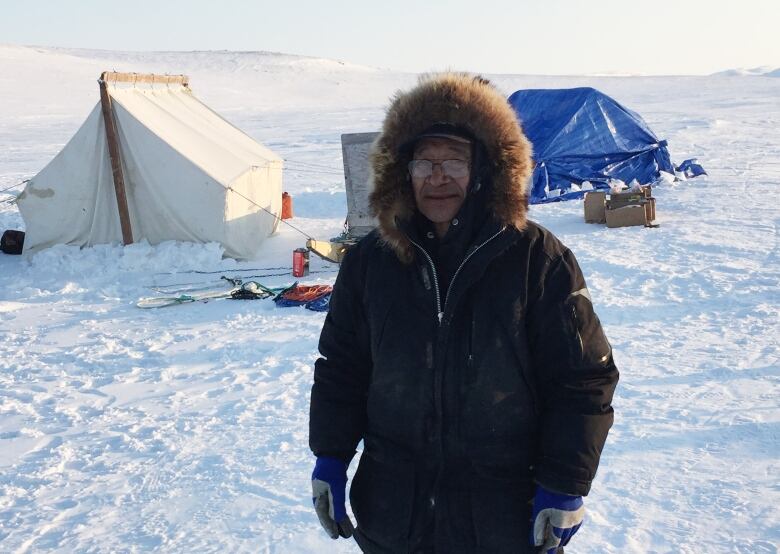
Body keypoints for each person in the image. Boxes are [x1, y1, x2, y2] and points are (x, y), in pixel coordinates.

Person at [309, 73, 619, 553]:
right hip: (393, 516)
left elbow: (582, 379)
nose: (437, 176)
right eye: (423, 162)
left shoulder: (536, 257)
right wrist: (329, 457)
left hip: (504, 519)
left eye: (454, 160)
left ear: (483, 171)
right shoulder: (372, 260)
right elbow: (342, 368)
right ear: (401, 172)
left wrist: (565, 481)